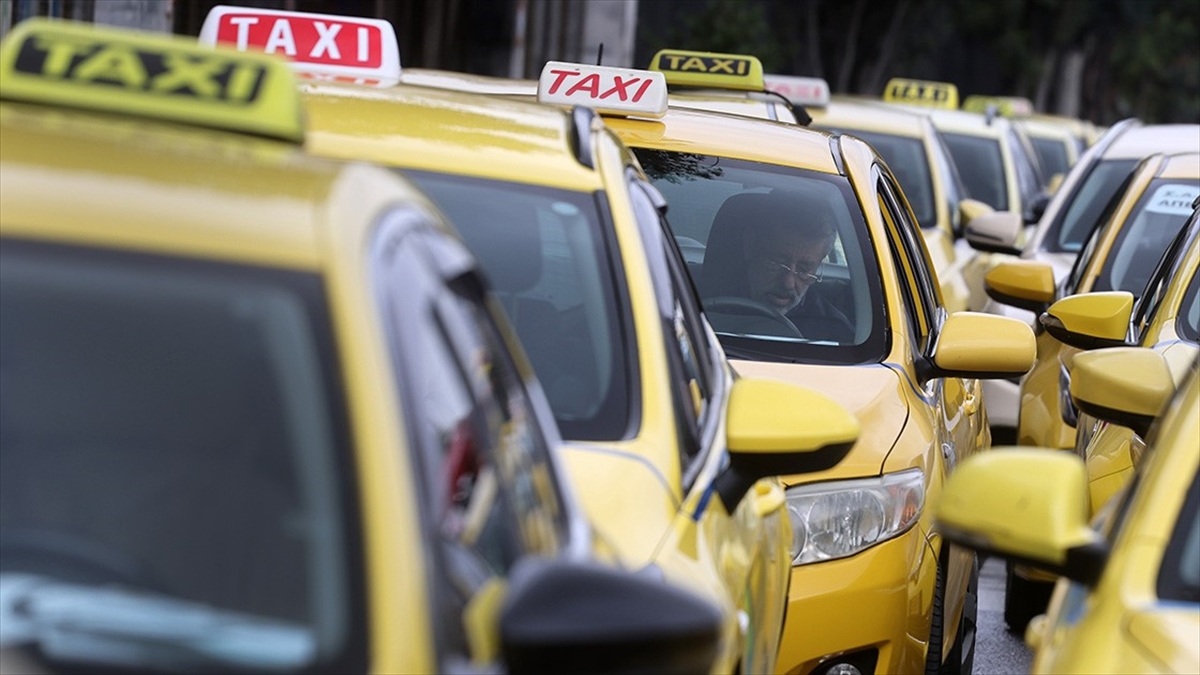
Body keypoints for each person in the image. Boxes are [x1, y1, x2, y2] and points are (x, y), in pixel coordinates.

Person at [740, 203, 854, 342]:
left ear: (819, 265)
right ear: (749, 245)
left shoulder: (835, 334)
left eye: (804, 269)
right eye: (776, 262)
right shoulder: (705, 303)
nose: (788, 283)